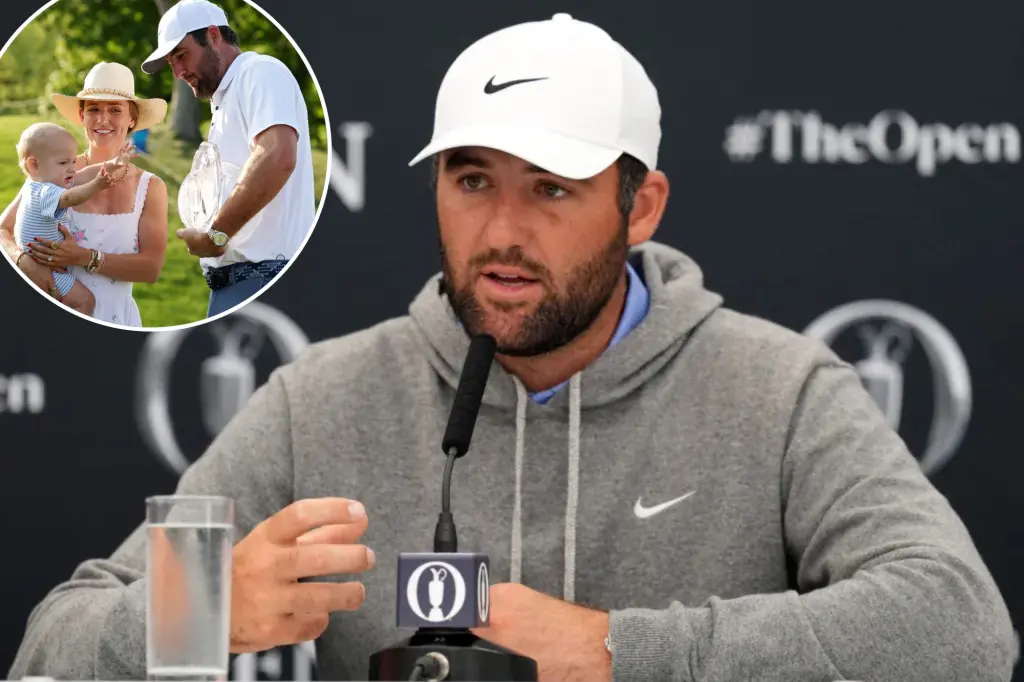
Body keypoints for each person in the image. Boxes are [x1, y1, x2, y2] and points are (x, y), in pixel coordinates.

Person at [7, 13, 1016, 682]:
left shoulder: (777, 391)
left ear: (641, 207)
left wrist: (612, 653)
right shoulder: (324, 401)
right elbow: (54, 644)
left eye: (553, 189)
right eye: (473, 179)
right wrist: (197, 612)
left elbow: (961, 628)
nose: (501, 232)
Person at [141, 0, 315, 318]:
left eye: (181, 55)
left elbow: (277, 154)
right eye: (171, 63)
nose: (178, 72)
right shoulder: (226, 98)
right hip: (236, 284)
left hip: (265, 278)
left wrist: (216, 235)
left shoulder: (259, 71)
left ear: (213, 35)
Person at [0, 61, 169, 327]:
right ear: (81, 115)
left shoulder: (151, 186)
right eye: (93, 109)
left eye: (115, 109)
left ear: (132, 119)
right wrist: (23, 262)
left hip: (117, 319)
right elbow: (3, 230)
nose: (102, 119)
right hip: (50, 307)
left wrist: (83, 257)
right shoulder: (54, 171)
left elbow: (151, 269)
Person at [12, 122, 129, 315]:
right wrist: (97, 185)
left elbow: (84, 175)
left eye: (73, 162)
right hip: (45, 268)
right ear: (34, 165)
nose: (72, 169)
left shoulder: (38, 184)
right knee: (86, 301)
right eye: (63, 163)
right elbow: (69, 198)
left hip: (39, 262)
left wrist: (113, 164)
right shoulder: (45, 191)